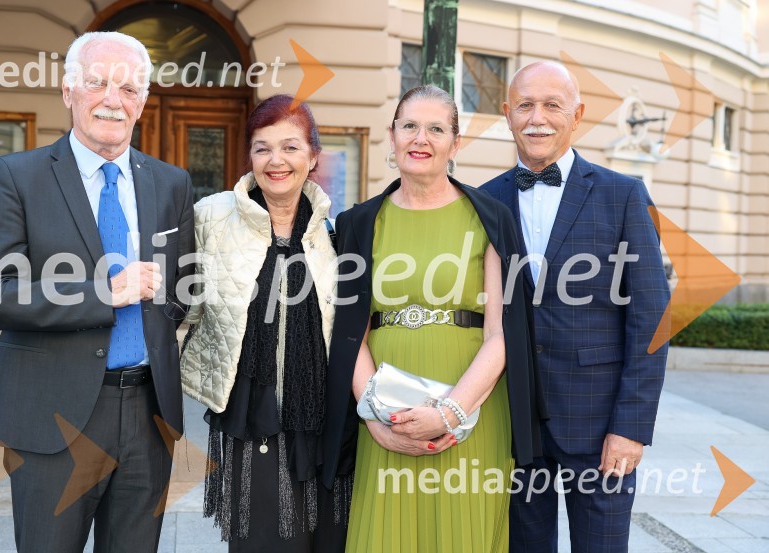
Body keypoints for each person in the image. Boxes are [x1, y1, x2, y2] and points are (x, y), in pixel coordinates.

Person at [0, 32, 194, 552]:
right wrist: (101, 293)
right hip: (53, 417)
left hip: (146, 413)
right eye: (98, 83)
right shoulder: (16, 176)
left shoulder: (171, 182)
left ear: (143, 102)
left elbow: (179, 288)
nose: (114, 99)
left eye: (130, 88)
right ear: (68, 91)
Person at [320, 84, 545, 553]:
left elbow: (502, 334)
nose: (420, 138)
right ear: (393, 135)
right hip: (386, 411)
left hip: (473, 414)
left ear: (455, 144)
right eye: (409, 126)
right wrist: (378, 420)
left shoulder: (490, 218)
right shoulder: (359, 223)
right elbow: (350, 336)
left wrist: (450, 413)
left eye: (436, 129)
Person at [480, 61, 670, 552]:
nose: (537, 118)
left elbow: (651, 318)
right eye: (525, 105)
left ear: (577, 114)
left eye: (552, 105)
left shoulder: (623, 195)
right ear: (507, 114)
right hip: (513, 425)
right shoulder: (484, 201)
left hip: (600, 423)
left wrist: (630, 427)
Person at [180, 94, 350, 552]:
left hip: (324, 417)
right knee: (264, 539)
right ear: (250, 156)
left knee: (326, 539)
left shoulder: (338, 233)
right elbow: (176, 306)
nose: (276, 160)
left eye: (291, 147)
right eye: (263, 147)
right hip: (250, 412)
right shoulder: (211, 218)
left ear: (313, 156)